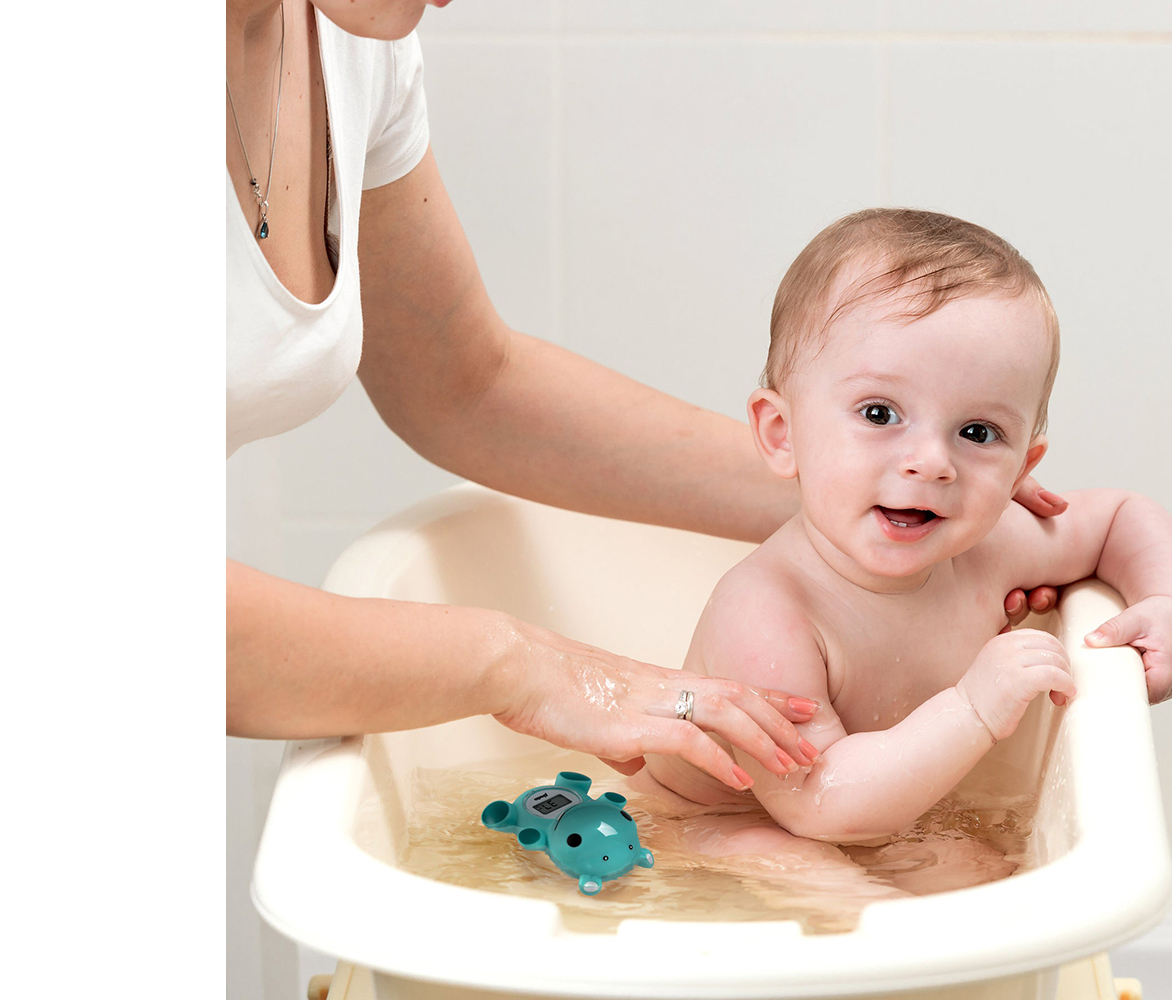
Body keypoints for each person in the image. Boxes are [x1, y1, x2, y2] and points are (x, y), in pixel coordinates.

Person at [225, 0, 1069, 789]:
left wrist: (874, 488)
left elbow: (464, 386)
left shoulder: (351, 42)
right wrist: (517, 662)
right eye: (884, 413)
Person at [641, 209, 1172, 859]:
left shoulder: (991, 551)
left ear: (1023, 464)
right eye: (880, 414)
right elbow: (822, 801)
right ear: (781, 434)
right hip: (705, 828)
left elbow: (1122, 517)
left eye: (977, 433)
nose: (931, 461)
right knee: (811, 874)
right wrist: (973, 708)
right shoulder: (766, 611)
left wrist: (1169, 606)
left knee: (972, 869)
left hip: (880, 812)